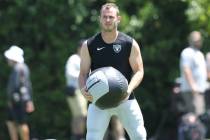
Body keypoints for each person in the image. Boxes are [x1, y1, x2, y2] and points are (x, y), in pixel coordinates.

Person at [78, 3, 147, 140]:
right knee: (92, 137)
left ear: (118, 19)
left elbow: (139, 71)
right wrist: (82, 89)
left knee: (139, 135)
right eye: (105, 17)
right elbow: (83, 73)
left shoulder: (129, 43)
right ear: (100, 19)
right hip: (98, 98)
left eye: (111, 17)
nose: (108, 20)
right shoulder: (89, 44)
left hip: (125, 98)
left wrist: (129, 89)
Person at [4, 45, 35, 140]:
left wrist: (28, 100)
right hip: (15, 100)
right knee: (10, 121)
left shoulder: (20, 68)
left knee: (21, 123)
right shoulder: (17, 68)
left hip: (19, 100)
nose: (8, 60)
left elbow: (23, 86)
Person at [179, 31, 208, 116]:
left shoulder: (200, 54)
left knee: (200, 114)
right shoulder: (187, 52)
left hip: (200, 90)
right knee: (196, 116)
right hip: (191, 90)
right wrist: (193, 86)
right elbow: (186, 69)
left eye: (199, 40)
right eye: (195, 39)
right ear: (190, 40)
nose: (198, 42)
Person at [65, 40, 87, 140]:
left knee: (77, 115)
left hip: (81, 90)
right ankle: (79, 136)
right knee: (81, 115)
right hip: (75, 90)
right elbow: (70, 73)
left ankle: (76, 136)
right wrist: (83, 75)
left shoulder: (84, 59)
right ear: (79, 48)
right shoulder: (74, 59)